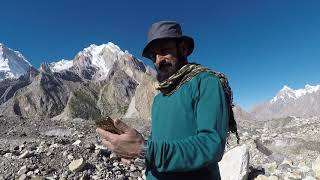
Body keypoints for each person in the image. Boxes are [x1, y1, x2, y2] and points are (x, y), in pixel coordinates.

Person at [96, 21, 231, 179]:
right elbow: (158, 141)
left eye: (164, 50)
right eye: (154, 56)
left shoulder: (206, 82)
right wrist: (134, 148)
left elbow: (211, 145)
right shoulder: (160, 98)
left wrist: (144, 149)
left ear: (183, 49)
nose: (158, 60)